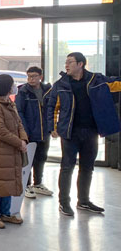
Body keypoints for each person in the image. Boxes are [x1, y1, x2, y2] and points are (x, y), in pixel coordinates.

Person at [47, 52, 121, 216]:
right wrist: (52, 127)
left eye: (70, 62)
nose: (66, 65)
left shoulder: (97, 80)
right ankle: (64, 203)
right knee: (67, 168)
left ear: (80, 64)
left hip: (91, 131)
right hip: (69, 132)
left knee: (87, 167)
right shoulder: (61, 84)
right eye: (66, 62)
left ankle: (84, 201)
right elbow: (51, 106)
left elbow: (117, 84)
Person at [0, 74, 28, 229]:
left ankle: (6, 213)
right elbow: (1, 131)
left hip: (12, 150)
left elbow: (19, 124)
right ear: (6, 87)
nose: (14, 87)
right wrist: (19, 143)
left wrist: (23, 139)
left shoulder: (9, 103)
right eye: (12, 84)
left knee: (8, 183)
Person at [15, 66, 53, 199]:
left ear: (40, 77)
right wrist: (24, 131)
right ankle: (26, 184)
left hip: (44, 131)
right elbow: (19, 111)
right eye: (29, 76)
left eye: (34, 76)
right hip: (30, 131)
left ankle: (38, 183)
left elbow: (52, 109)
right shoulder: (23, 91)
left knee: (41, 158)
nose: (31, 79)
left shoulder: (48, 90)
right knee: (28, 159)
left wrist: (52, 127)